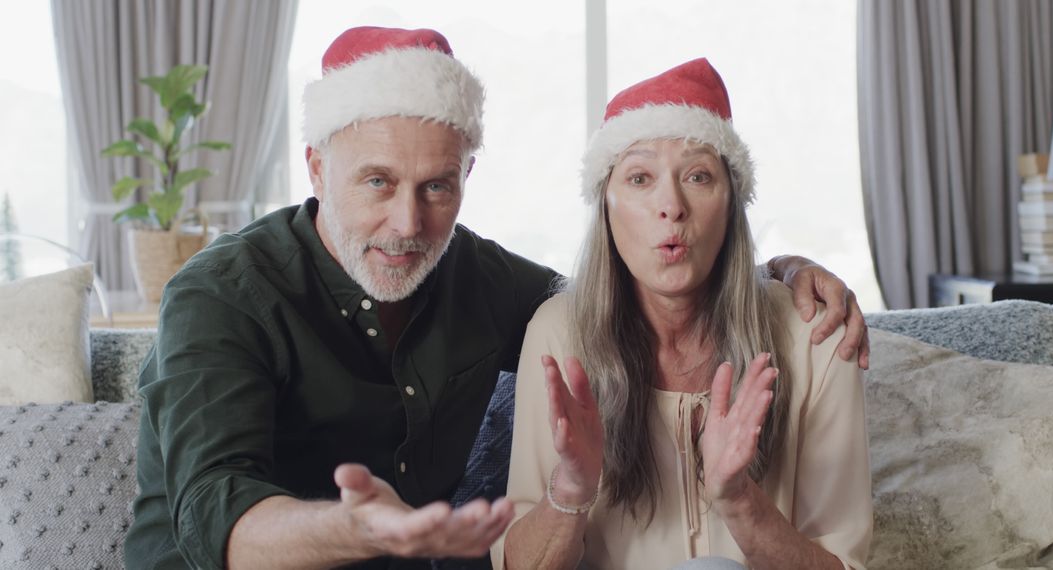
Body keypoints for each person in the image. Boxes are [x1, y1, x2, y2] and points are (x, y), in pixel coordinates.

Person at [124, 27, 869, 570]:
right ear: (317, 167)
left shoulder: (484, 282)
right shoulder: (221, 296)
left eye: (437, 187)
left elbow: (637, 286)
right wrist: (367, 531)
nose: (409, 224)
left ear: (465, 177)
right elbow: (215, 516)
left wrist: (774, 267)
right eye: (377, 181)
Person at [493, 59, 873, 569]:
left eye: (698, 176)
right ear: (606, 206)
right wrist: (573, 487)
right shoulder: (558, 333)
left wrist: (739, 499)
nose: (670, 205)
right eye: (639, 177)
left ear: (732, 204)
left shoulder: (815, 335)